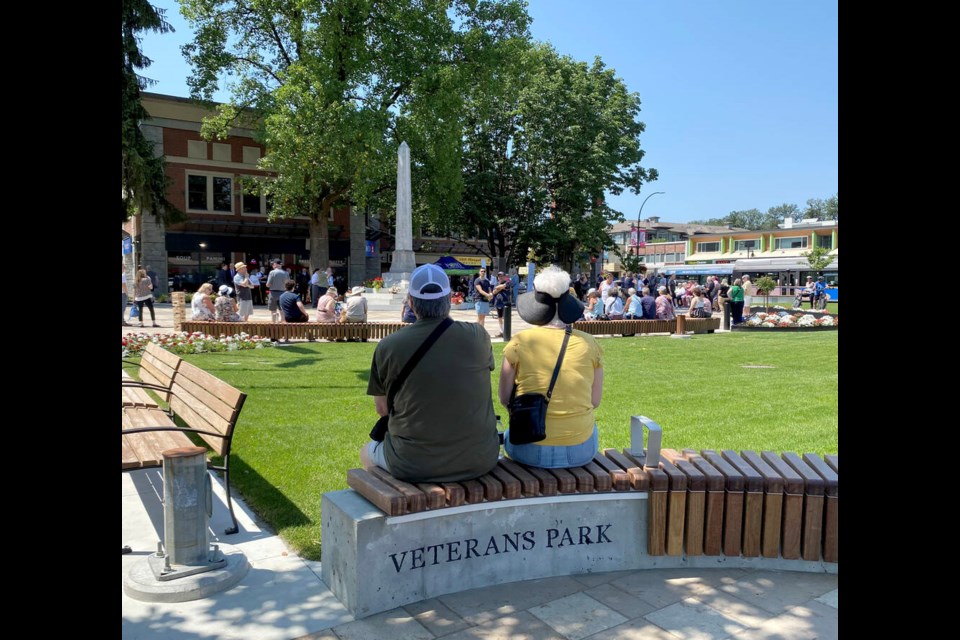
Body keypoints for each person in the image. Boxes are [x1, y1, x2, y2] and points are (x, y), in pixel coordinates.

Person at [362, 263, 499, 483]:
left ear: (411, 303)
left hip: (413, 463)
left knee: (366, 452)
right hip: (481, 457)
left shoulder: (389, 346)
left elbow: (382, 409)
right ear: (448, 301)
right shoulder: (478, 336)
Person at [499, 265, 603, 469]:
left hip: (527, 447)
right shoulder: (589, 344)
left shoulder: (519, 342)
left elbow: (504, 398)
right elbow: (595, 401)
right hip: (579, 450)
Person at [493, 271, 512, 337]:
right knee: (499, 317)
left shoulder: (508, 282)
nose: (500, 277)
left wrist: (498, 287)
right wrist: (499, 288)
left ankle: (506, 332)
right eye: (499, 276)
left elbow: (504, 286)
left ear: (504, 277)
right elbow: (494, 292)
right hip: (498, 303)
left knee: (506, 318)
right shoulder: (496, 283)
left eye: (501, 276)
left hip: (506, 303)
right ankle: (501, 331)